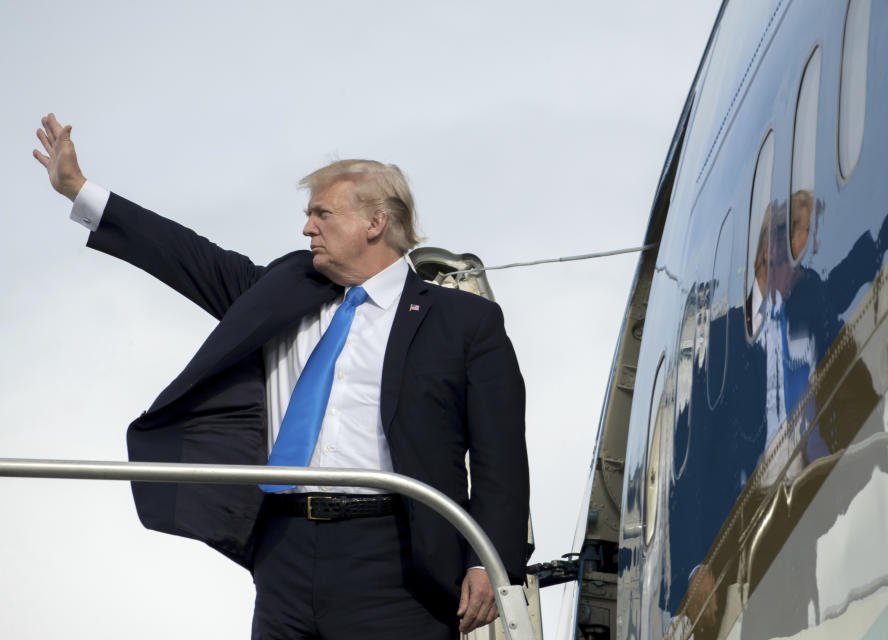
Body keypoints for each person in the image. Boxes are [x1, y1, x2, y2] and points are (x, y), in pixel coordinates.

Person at [32, 113, 529, 639]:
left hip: (398, 558)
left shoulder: (463, 321)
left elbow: (501, 455)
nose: (307, 227)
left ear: (375, 223)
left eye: (322, 213)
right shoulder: (285, 288)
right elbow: (187, 256)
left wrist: (488, 562)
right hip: (284, 548)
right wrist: (79, 191)